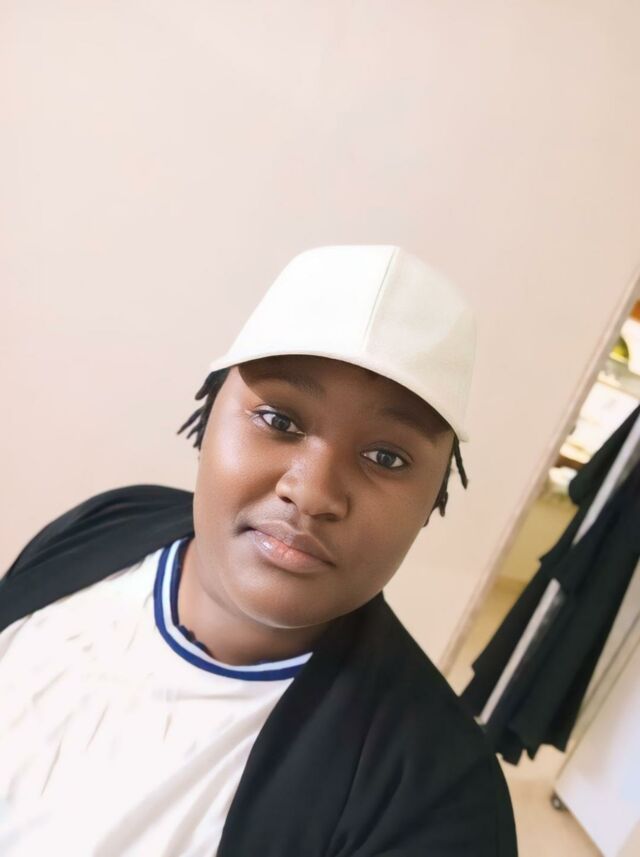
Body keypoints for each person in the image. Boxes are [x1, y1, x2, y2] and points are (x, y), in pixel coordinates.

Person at [0, 245, 518, 855]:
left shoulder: (439, 801)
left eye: (386, 457)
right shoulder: (111, 523)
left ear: (434, 499)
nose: (312, 492)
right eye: (278, 420)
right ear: (209, 411)